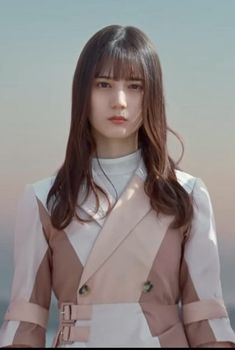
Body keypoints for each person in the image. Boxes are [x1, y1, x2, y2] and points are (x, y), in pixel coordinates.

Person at [0, 24, 235, 348]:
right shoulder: (44, 199)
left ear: (152, 94)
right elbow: (25, 324)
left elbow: (207, 324)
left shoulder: (187, 195)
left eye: (135, 85)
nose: (119, 100)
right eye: (104, 84)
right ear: (83, 92)